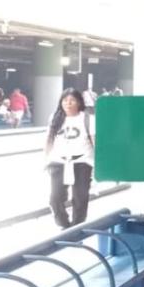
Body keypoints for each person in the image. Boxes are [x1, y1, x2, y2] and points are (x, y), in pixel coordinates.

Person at [44, 89, 94, 228]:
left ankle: (77, 227)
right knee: (55, 198)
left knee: (80, 198)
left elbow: (94, 140)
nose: (68, 103)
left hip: (82, 162)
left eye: (72, 100)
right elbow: (49, 139)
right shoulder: (55, 118)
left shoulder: (87, 118)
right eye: (65, 100)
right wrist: (45, 159)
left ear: (79, 102)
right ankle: (64, 225)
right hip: (58, 162)